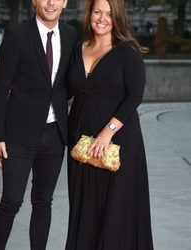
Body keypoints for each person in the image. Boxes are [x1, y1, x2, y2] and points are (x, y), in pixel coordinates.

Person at [0, 0, 77, 249]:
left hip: (55, 135)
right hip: (18, 135)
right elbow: (0, 89)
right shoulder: (17, 36)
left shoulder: (71, 35)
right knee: (12, 200)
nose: (51, 3)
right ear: (34, 1)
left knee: (43, 202)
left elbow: (66, 82)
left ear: (65, 2)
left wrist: (56, 103)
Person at [65, 0, 154, 249]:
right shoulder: (77, 49)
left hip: (119, 141)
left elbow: (135, 96)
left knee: (115, 209)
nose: (102, 18)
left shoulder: (128, 51)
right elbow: (65, 91)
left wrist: (107, 133)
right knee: (85, 206)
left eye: (108, 14)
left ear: (117, 18)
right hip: (80, 142)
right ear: (89, 14)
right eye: (97, 12)